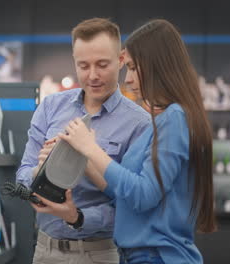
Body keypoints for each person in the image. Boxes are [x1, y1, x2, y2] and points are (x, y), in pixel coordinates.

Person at [56, 19, 217, 264]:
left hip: (157, 257)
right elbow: (124, 193)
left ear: (155, 65)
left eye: (132, 67)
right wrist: (81, 156)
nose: (128, 79)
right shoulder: (165, 122)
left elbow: (143, 195)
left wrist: (91, 148)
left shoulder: (174, 118)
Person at [16, 18, 150, 264]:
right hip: (45, 250)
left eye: (102, 65)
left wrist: (77, 216)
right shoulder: (50, 107)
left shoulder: (139, 124)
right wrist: (39, 171)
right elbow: (22, 176)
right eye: (83, 65)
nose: (93, 76)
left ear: (121, 60)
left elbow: (132, 206)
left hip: (100, 253)